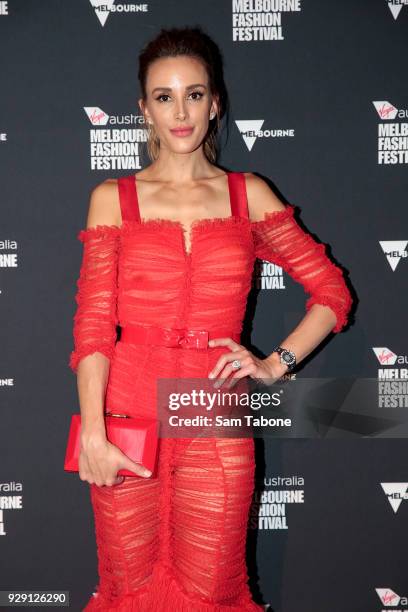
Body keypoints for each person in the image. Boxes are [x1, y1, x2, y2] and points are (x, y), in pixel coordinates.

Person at [68, 26, 353, 611]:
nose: (181, 112)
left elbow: (331, 292)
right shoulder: (113, 199)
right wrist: (92, 431)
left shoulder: (248, 195)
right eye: (165, 96)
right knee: (128, 590)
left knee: (213, 591)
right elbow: (94, 327)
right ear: (143, 107)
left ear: (215, 102)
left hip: (214, 410)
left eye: (194, 95)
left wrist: (275, 364)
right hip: (128, 411)